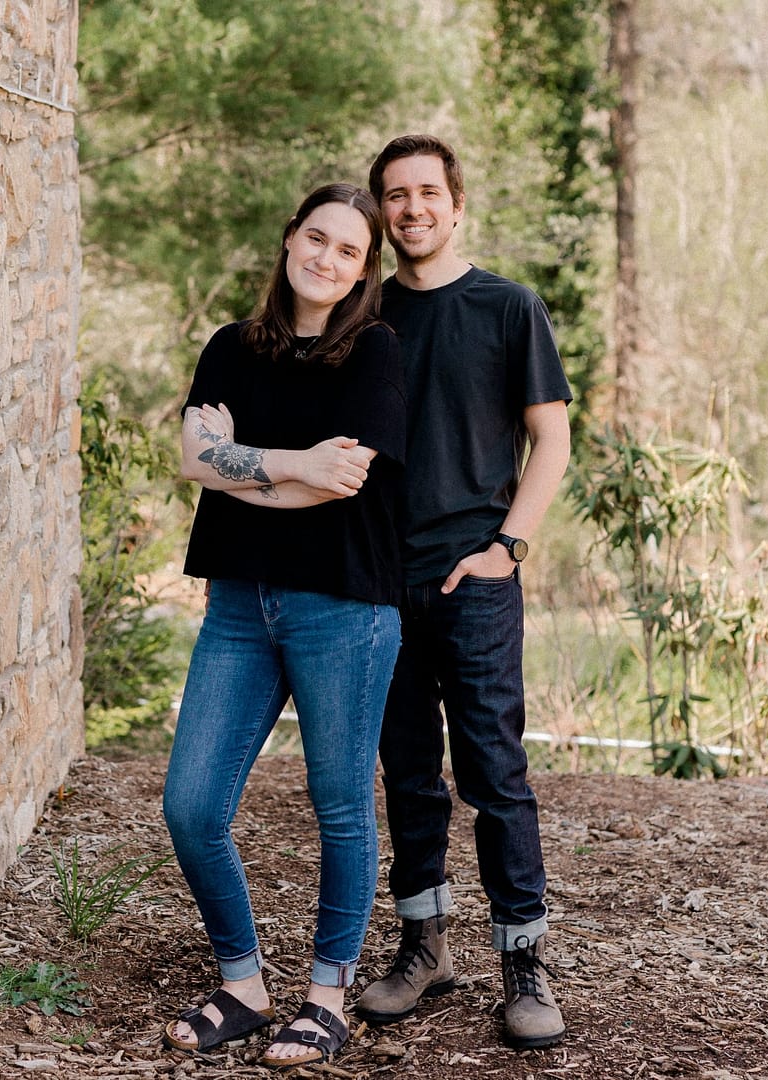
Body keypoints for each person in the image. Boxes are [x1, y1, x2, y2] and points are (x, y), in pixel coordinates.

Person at [160, 183, 408, 1069]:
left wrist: (242, 467)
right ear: (289, 239)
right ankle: (244, 984)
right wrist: (295, 462)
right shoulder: (231, 346)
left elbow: (342, 482)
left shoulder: (374, 351)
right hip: (238, 604)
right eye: (316, 238)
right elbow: (193, 457)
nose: (326, 259)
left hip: (342, 608)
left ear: (363, 270)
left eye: (348, 250)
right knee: (191, 806)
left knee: (339, 806)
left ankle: (327, 995)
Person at [351, 134, 573, 1050]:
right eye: (394, 195)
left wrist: (506, 548)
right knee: (406, 774)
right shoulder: (363, 315)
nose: (411, 209)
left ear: (456, 204)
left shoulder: (508, 307)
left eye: (426, 193)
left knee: (494, 774)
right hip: (379, 584)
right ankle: (424, 947)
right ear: (381, 211)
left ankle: (523, 961)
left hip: (473, 583)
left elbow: (551, 439)